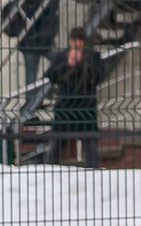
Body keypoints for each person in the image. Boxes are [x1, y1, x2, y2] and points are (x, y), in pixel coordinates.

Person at [40, 32, 108, 167]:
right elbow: (50, 76)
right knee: (56, 143)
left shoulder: (93, 56)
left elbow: (99, 76)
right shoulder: (62, 56)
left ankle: (93, 171)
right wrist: (67, 64)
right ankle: (48, 170)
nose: (77, 45)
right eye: (74, 41)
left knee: (90, 143)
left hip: (86, 106)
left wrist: (83, 63)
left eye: (80, 42)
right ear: (70, 41)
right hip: (65, 107)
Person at [2, 0, 60, 85]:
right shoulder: (24, 0)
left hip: (43, 43)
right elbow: (13, 19)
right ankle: (32, 100)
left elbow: (52, 24)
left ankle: (45, 87)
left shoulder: (50, 1)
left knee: (60, 61)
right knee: (31, 77)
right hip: (29, 44)